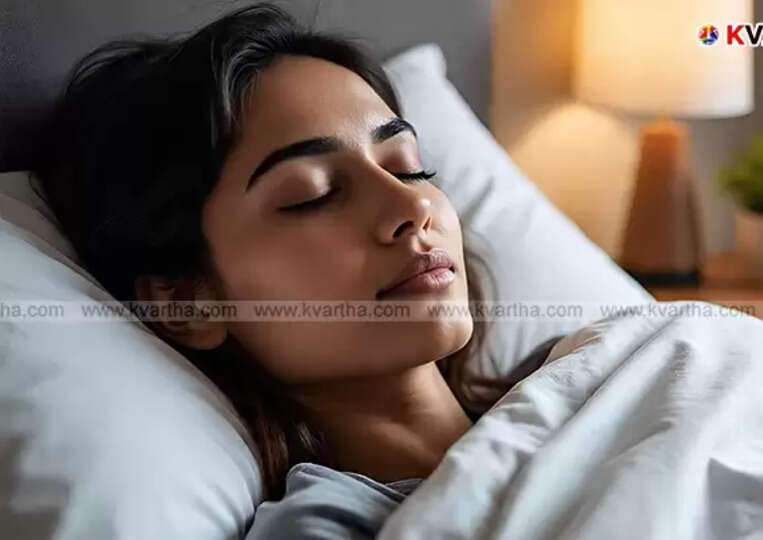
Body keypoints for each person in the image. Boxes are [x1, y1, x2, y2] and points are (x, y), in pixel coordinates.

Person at [39, 4, 558, 538]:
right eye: (316, 195)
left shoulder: (592, 372)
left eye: (408, 168)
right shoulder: (332, 527)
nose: (411, 207)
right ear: (187, 301)